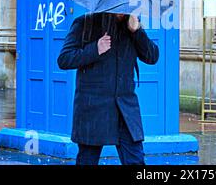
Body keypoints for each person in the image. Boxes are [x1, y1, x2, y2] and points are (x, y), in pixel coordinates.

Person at [57, 12, 159, 165]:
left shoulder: (132, 24)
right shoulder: (85, 23)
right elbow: (64, 59)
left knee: (136, 160)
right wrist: (95, 49)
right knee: (87, 161)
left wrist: (137, 31)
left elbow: (152, 57)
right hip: (93, 109)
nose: (121, 11)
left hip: (125, 109)